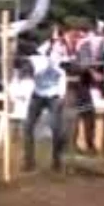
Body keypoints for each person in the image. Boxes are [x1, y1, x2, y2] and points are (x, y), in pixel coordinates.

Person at [21, 40, 67, 172]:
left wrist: (61, 95)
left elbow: (65, 72)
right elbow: (26, 71)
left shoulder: (53, 61)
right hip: (37, 95)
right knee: (28, 127)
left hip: (54, 95)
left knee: (56, 128)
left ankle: (56, 161)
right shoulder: (34, 60)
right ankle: (28, 161)